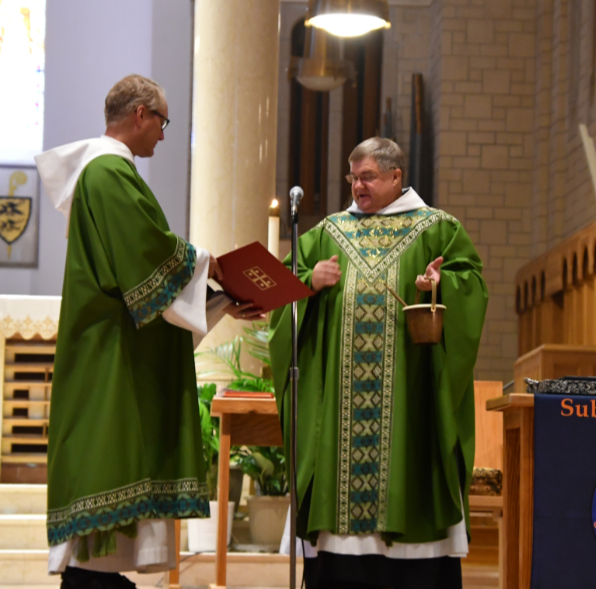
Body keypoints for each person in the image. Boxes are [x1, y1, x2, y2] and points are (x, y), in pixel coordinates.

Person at [35, 74, 261, 588]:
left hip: (114, 347)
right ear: (140, 114)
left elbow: (141, 271)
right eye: (162, 121)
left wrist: (222, 297)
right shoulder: (108, 172)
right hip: (109, 359)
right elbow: (147, 252)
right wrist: (215, 267)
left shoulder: (109, 172)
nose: (163, 133)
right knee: (101, 523)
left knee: (104, 556)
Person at [269, 137, 488, 589]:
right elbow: (278, 290)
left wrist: (439, 284)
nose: (357, 186)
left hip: (409, 403)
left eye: (367, 176)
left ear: (395, 177)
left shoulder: (437, 228)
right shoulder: (328, 232)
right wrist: (310, 280)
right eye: (352, 177)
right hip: (338, 416)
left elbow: (471, 284)